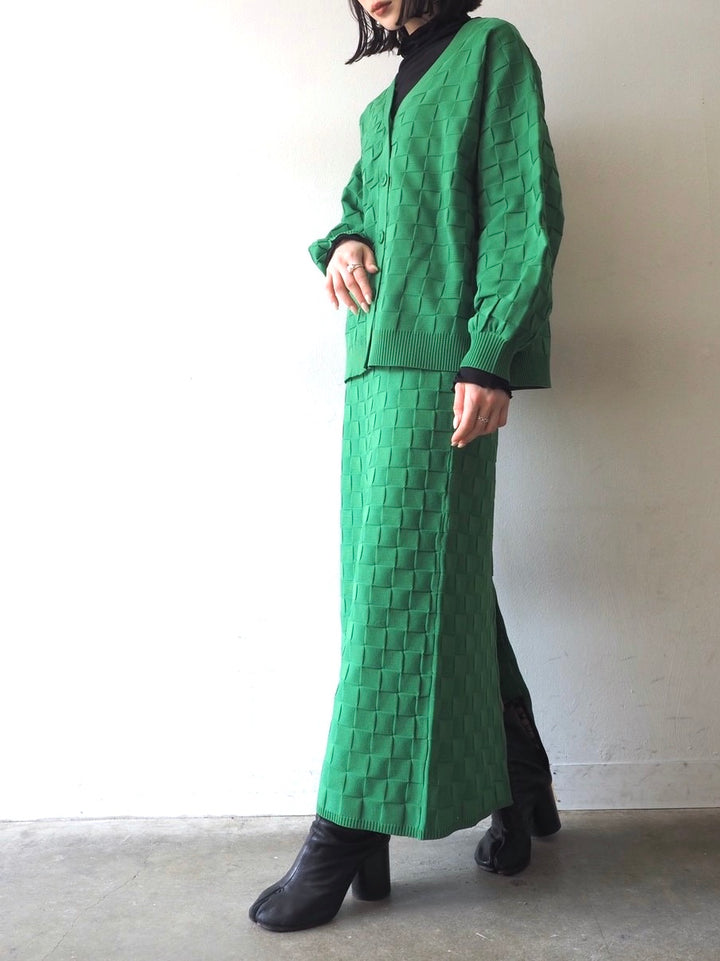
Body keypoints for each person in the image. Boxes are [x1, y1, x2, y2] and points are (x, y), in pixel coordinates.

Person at [249, 0, 564, 933]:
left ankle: (346, 826)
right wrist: (344, 241)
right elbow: (363, 207)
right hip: (371, 369)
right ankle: (522, 777)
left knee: (398, 583)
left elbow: (521, 206)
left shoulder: (490, 52)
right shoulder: (379, 103)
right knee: (414, 575)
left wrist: (489, 353)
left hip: (442, 368)